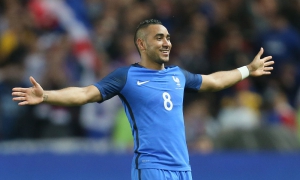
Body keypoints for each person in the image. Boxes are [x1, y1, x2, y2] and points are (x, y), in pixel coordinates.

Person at [12, 19, 274, 180]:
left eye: (168, 38)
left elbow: (215, 81)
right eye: (159, 37)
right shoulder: (127, 76)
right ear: (141, 44)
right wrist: (45, 95)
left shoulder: (178, 75)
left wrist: (247, 70)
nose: (166, 43)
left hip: (183, 169)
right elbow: (85, 94)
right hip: (151, 168)